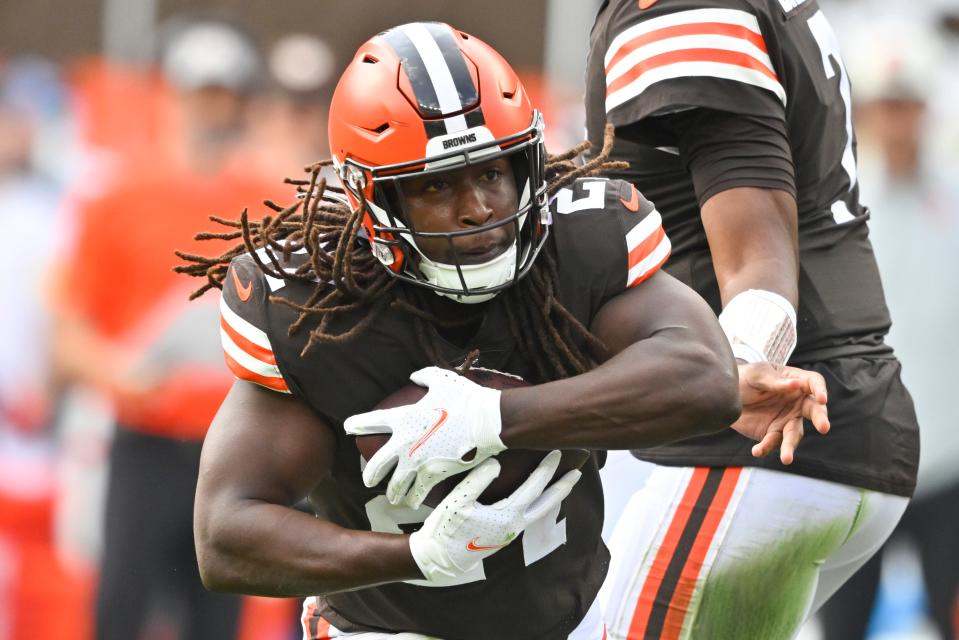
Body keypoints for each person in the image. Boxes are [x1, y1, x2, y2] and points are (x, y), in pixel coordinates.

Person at [182, 22, 827, 640]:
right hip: (385, 628)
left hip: (570, 618)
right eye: (436, 186)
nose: (478, 207)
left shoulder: (576, 247)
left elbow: (706, 380)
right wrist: (417, 555)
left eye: (492, 172)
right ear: (374, 201)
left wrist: (491, 417)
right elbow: (226, 535)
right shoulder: (315, 313)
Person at [583, 1, 920, 638]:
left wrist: (733, 371)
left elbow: (759, 250)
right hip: (817, 424)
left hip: (756, 436)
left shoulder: (677, 6)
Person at [49, 17, 272, 640]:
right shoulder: (118, 197)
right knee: (119, 610)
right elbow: (68, 334)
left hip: (231, 445)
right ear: (172, 95)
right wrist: (121, 371)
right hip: (146, 438)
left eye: (224, 94)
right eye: (202, 93)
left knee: (216, 617)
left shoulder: (265, 198)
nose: (212, 109)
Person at [817, 20, 959, 640]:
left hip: (949, 459)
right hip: (861, 460)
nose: (898, 121)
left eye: (908, 104)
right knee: (843, 621)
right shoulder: (838, 204)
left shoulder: (952, 200)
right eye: (886, 106)